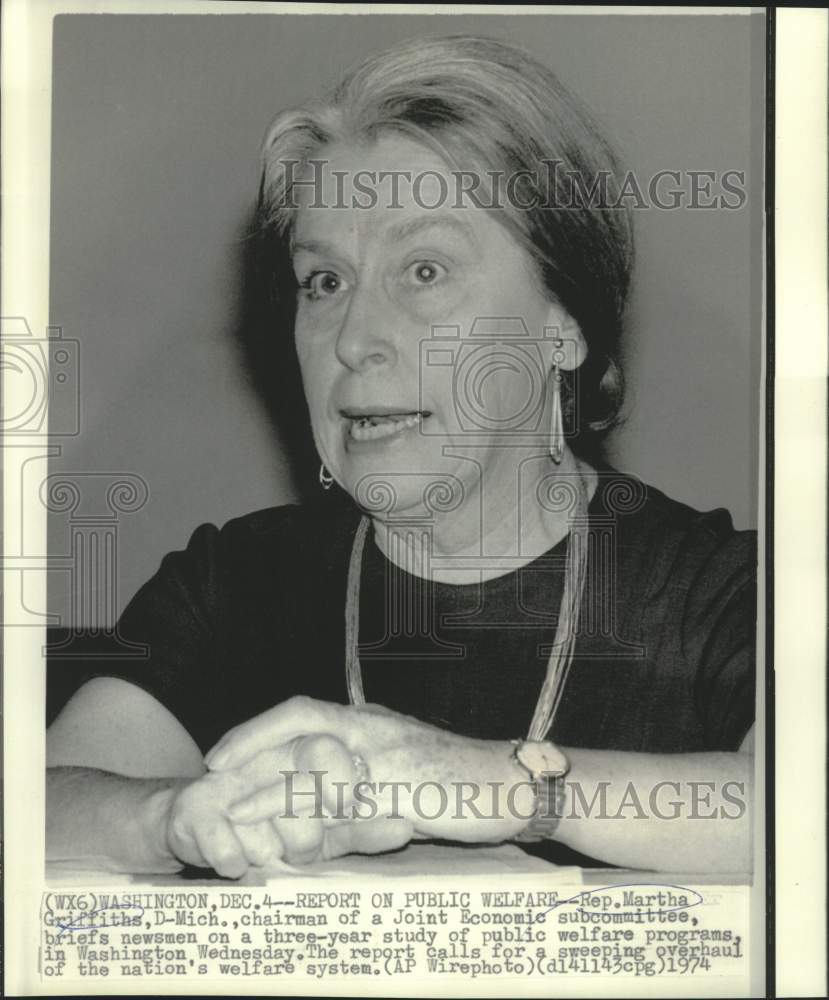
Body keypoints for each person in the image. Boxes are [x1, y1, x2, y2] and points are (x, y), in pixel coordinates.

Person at [46, 35, 756, 880]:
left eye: (424, 269)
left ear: (562, 324)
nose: (353, 339)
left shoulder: (723, 591)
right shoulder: (236, 581)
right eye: (324, 282)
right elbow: (35, 804)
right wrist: (168, 817)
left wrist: (492, 785)